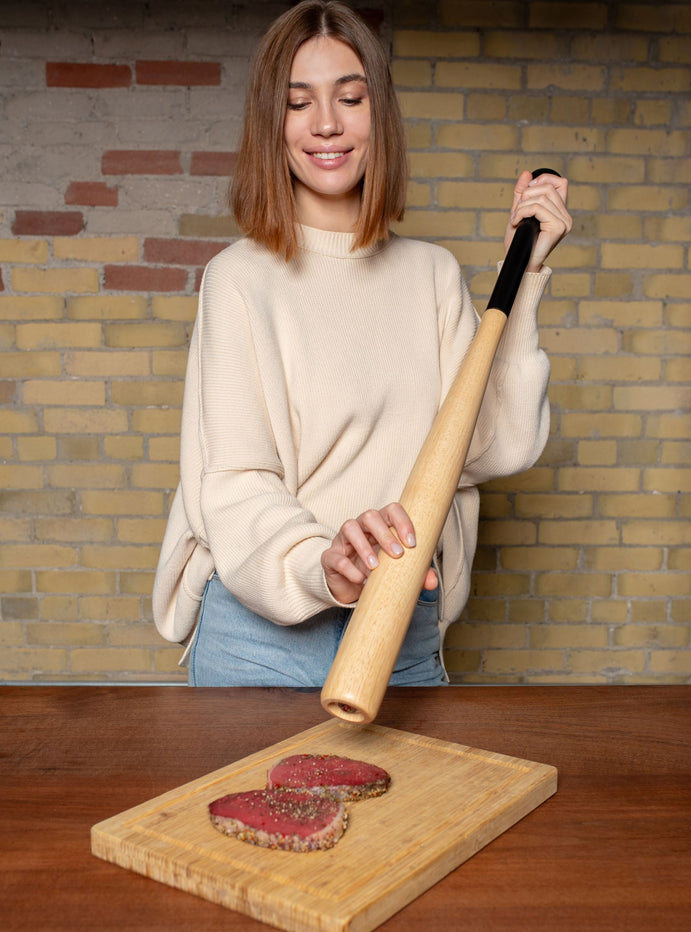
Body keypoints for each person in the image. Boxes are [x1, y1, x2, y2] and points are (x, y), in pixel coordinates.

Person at [152, 0, 571, 687]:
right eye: (299, 103)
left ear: (380, 115)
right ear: (272, 122)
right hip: (259, 637)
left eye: (350, 98)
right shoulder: (238, 279)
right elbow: (234, 483)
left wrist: (521, 276)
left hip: (400, 620)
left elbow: (492, 446)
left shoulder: (431, 274)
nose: (327, 123)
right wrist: (323, 563)